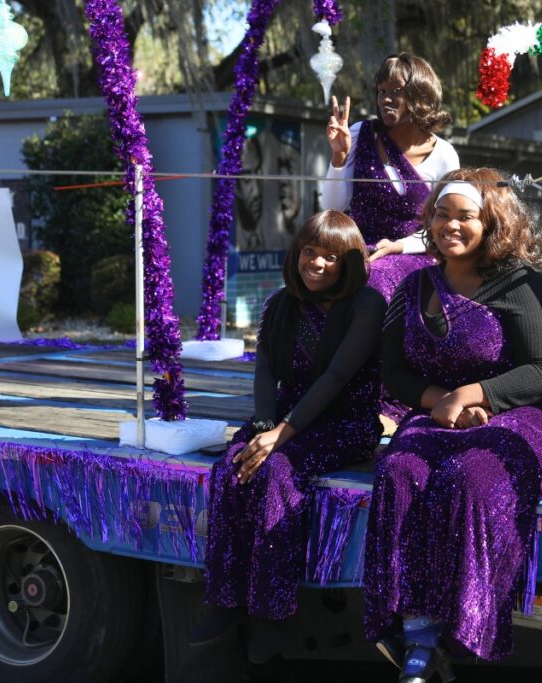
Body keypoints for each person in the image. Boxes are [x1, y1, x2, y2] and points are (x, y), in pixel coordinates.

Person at [363, 168, 542, 683]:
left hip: (517, 416)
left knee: (471, 481)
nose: (451, 225)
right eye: (442, 215)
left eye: (465, 217)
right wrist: (441, 403)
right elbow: (395, 372)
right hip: (435, 414)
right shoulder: (413, 286)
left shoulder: (519, 282)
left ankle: (466, 626)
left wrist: (474, 396)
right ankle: (419, 637)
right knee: (398, 473)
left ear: (490, 222)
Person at [194, 210, 385, 661]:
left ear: (350, 262)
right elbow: (265, 370)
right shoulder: (281, 302)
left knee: (278, 471)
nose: (316, 263)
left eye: (331, 257)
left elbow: (338, 375)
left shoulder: (366, 304)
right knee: (232, 467)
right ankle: (227, 598)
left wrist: (281, 435)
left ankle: (272, 611)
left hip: (344, 420)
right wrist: (263, 426)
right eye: (310, 252)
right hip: (284, 416)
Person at [321, 52, 460, 304]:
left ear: (420, 95)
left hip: (413, 254)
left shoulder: (444, 155)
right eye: (381, 91)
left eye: (396, 90)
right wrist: (339, 158)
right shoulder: (359, 133)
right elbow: (332, 208)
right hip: (356, 250)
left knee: (374, 281)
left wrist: (399, 246)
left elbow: (445, 228)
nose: (385, 99)